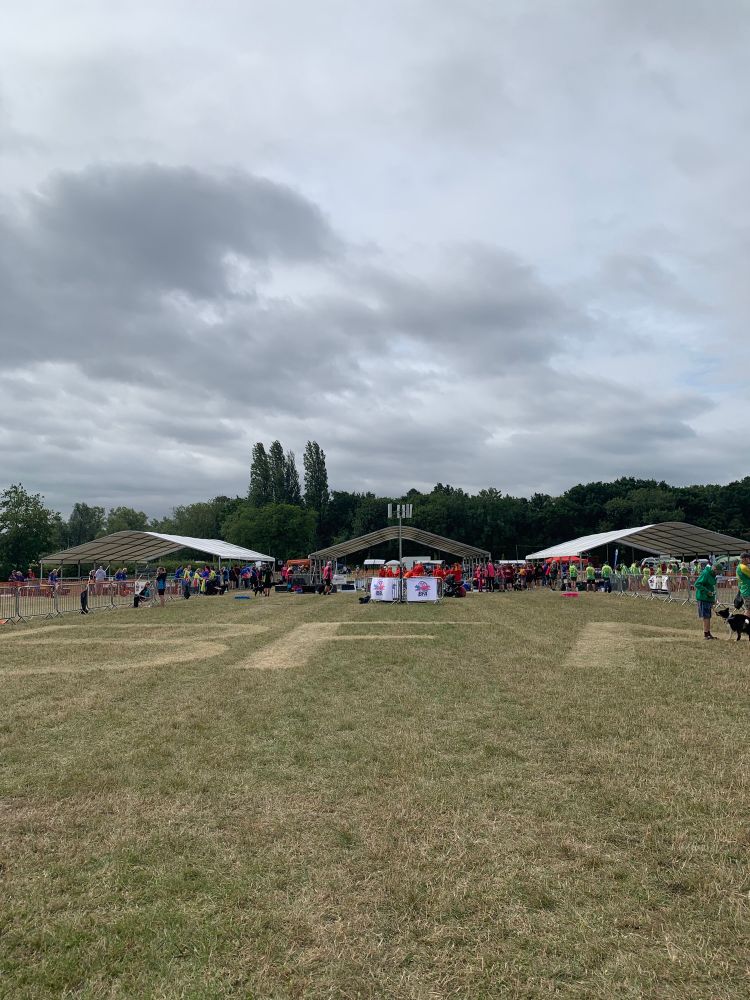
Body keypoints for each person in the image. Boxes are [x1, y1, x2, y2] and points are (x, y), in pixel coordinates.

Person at [694, 561, 718, 639]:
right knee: (706, 616)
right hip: (703, 598)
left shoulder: (712, 574)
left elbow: (711, 587)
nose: (718, 573)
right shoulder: (705, 573)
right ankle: (706, 634)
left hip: (708, 598)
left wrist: (713, 599)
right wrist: (707, 591)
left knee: (708, 616)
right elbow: (697, 584)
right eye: (718, 571)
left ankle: (708, 633)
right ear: (714, 569)